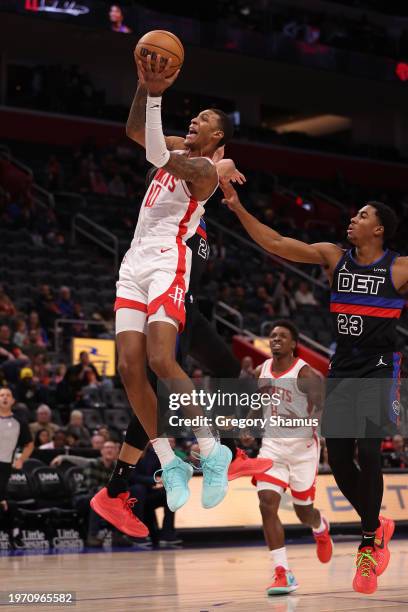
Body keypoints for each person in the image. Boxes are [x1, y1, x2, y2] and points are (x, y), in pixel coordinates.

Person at [220, 180, 402, 595]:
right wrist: (238, 208)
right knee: (338, 460)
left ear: (379, 230)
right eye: (354, 214)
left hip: (378, 368)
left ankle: (368, 543)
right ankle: (378, 525)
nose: (352, 219)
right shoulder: (333, 257)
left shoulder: (398, 267)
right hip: (343, 368)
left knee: (370, 450)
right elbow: (278, 242)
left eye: (362, 215)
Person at [95, 50, 246, 527]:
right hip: (133, 260)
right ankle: (170, 459)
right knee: (128, 367)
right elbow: (138, 133)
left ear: (217, 137)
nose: (195, 120)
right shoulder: (180, 147)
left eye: (204, 119)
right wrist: (144, 84)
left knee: (162, 359)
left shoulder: (205, 173)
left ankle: (211, 449)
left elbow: (157, 153)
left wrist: (158, 94)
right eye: (194, 116)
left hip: (167, 262)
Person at [91, 168, 272, 538]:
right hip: (165, 299)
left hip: (189, 305)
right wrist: (216, 160)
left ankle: (232, 452)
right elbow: (188, 156)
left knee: (226, 366)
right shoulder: (168, 212)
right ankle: (120, 485)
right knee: (158, 380)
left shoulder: (199, 217)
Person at [248, 321, 332, 595]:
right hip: (272, 448)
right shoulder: (262, 371)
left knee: (303, 513)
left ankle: (320, 527)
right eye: (272, 336)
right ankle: (282, 572)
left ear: (294, 344)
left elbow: (323, 411)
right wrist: (247, 426)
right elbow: (258, 402)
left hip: (302, 452)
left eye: (283, 336)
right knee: (266, 503)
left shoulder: (306, 374)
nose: (276, 339)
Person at [0, 388, 33, 548]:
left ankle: (13, 533)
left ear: (13, 401)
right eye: (1, 395)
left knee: (4, 501)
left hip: (5, 465)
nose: (4, 398)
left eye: (8, 395)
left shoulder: (19, 422)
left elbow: (29, 444)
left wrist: (21, 460)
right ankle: (13, 532)